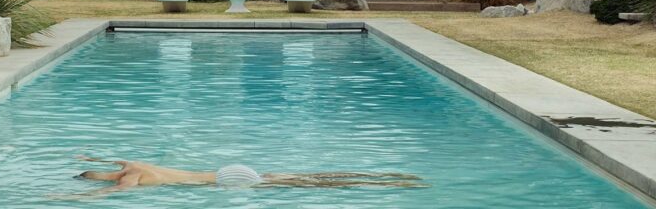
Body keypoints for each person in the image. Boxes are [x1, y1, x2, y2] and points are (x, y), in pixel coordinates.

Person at [64, 156, 426, 197]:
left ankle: (383, 183)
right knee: (302, 178)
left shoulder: (128, 180)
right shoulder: (132, 165)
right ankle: (387, 177)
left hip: (226, 181)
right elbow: (109, 159)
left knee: (297, 183)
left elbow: (104, 197)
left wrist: (65, 200)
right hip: (227, 172)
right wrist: (87, 158)